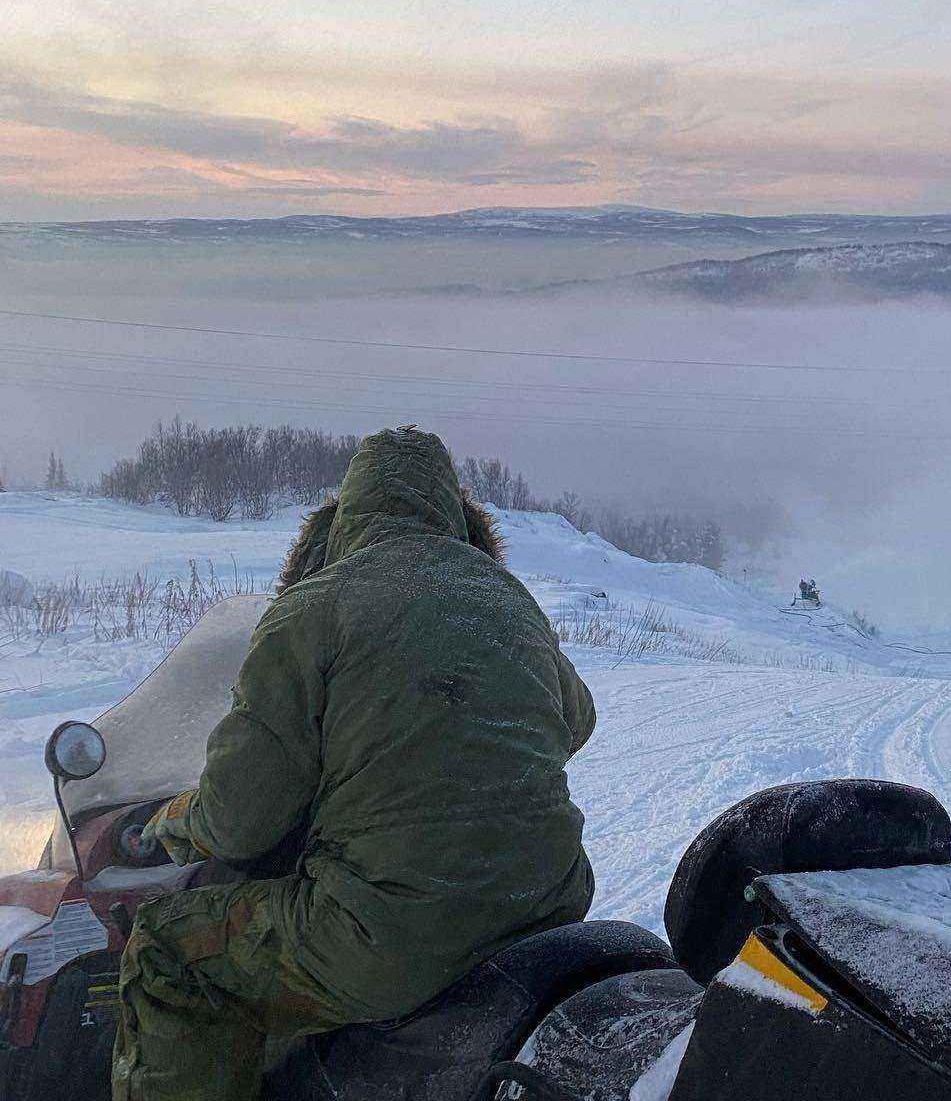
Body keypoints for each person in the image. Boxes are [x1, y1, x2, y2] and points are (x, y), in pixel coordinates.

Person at [113, 426, 596, 1101]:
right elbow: (577, 720)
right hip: (546, 908)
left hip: (388, 939)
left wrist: (171, 822)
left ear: (343, 514)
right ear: (456, 512)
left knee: (168, 954)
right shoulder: (507, 598)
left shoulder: (315, 606)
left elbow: (240, 821)